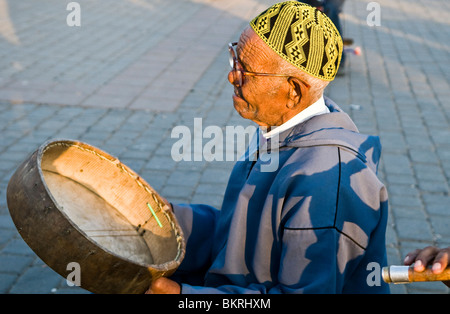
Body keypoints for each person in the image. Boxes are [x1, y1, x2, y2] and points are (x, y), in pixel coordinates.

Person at [147, 1, 389, 294]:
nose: (232, 76)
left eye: (247, 71)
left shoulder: (326, 182)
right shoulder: (277, 130)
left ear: (293, 91)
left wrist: (187, 297)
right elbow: (239, 234)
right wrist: (169, 221)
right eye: (235, 57)